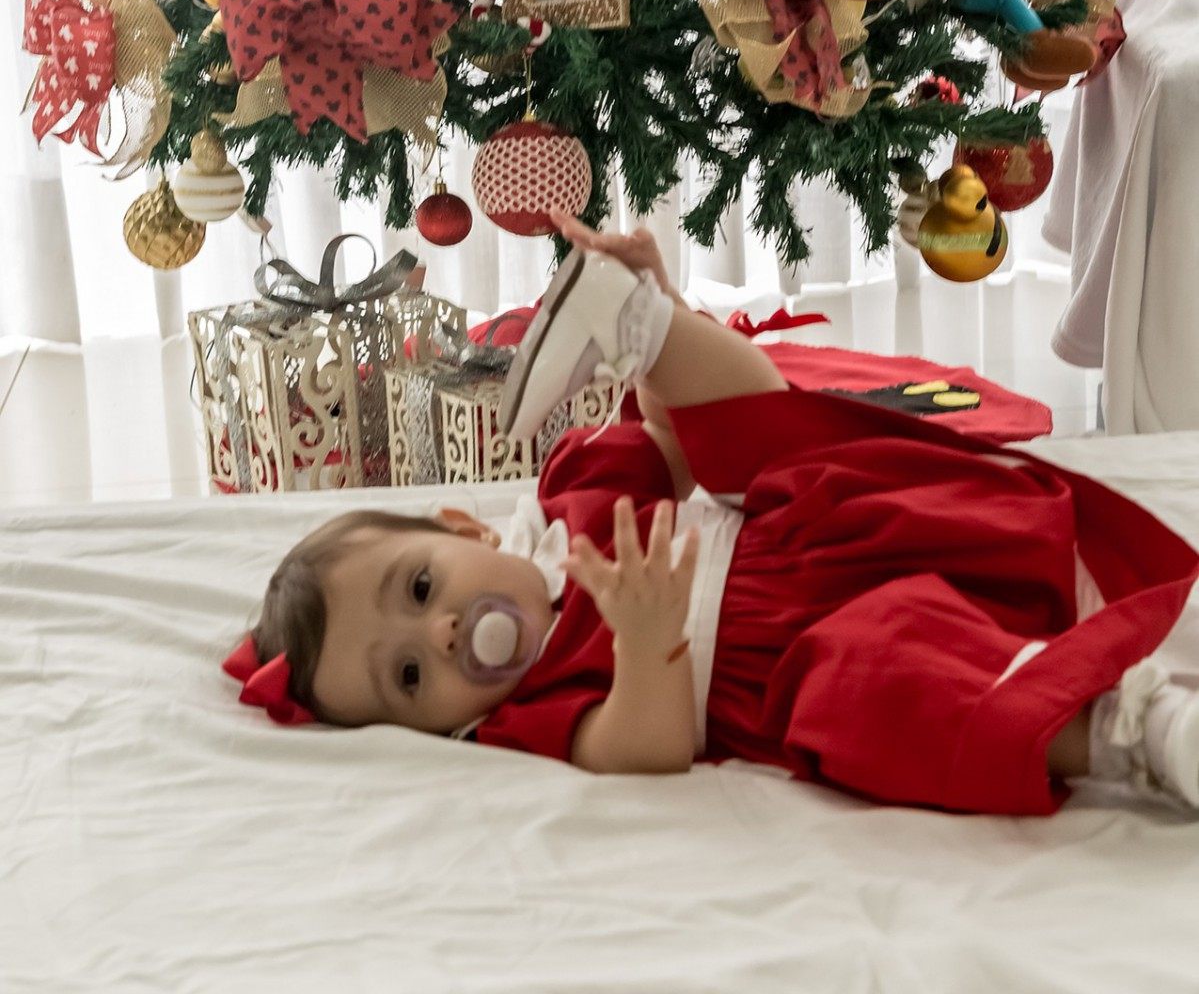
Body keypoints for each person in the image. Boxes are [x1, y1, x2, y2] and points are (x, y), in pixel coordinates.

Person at [224, 218, 1199, 816]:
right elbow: (638, 750)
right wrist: (647, 648)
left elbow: (674, 449)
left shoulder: (562, 512)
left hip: (803, 528)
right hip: (790, 654)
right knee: (877, 685)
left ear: (468, 532)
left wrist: (667, 361)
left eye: (423, 588)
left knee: (740, 444)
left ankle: (639, 320)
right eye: (407, 676)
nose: (440, 636)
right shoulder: (520, 714)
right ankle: (1129, 726)